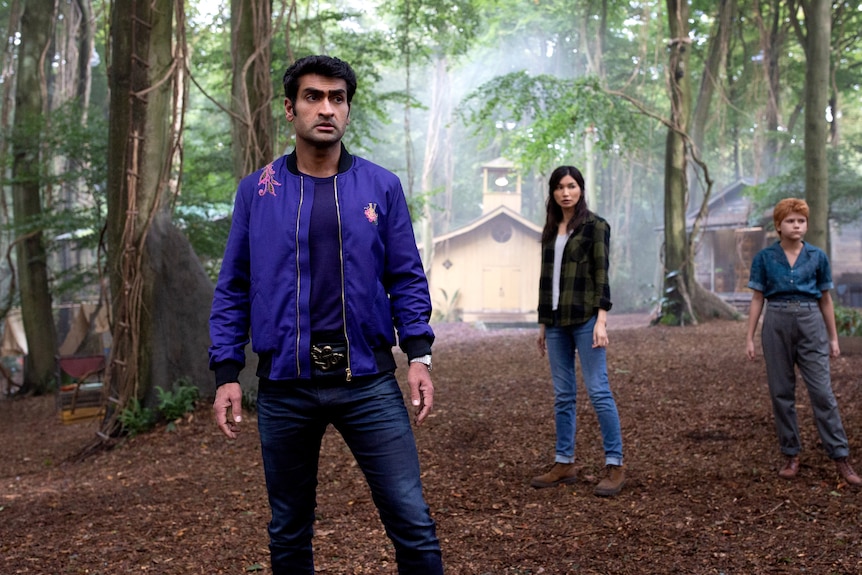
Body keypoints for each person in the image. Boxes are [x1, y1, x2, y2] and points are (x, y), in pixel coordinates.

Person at [208, 55, 444, 574]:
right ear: (289, 109)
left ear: (348, 112)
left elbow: (406, 277)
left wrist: (419, 355)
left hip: (367, 381)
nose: (326, 108)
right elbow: (234, 286)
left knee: (413, 523)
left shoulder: (381, 187)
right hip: (286, 386)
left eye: (337, 99)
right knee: (289, 530)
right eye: (313, 97)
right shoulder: (257, 192)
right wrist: (227, 372)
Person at [745, 198, 861, 486]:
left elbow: (826, 298)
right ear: (778, 225)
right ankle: (791, 453)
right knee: (781, 393)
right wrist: (749, 337)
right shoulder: (765, 258)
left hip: (811, 323)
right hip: (776, 322)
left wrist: (833, 338)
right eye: (791, 220)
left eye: (801, 220)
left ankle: (840, 456)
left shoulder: (818, 257)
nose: (797, 225)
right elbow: (758, 298)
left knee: (823, 393)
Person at [532, 165, 625, 497]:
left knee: (598, 390)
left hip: (586, 319)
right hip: (556, 322)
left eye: (571, 186)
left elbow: (602, 273)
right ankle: (564, 462)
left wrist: (602, 319)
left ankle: (615, 464)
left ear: (580, 189)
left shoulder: (595, 226)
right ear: (553, 193)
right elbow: (546, 280)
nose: (565, 192)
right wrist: (543, 324)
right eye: (559, 187)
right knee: (563, 395)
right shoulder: (549, 230)